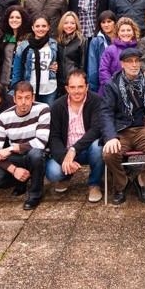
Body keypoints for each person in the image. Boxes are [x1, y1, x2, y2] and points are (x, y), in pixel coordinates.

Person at [100, 46, 145, 204]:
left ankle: (143, 182)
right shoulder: (112, 85)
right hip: (122, 131)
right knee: (109, 153)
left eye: (137, 61)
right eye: (130, 62)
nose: (134, 65)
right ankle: (121, 185)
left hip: (144, 130)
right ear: (122, 64)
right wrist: (110, 137)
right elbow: (106, 113)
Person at [0, 81, 51, 210]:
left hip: (36, 153)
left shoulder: (43, 109)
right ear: (14, 99)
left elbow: (41, 141)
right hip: (16, 157)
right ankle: (20, 178)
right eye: (19, 98)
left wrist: (11, 148)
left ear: (33, 98)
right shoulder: (4, 117)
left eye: (27, 98)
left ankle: (35, 195)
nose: (23, 102)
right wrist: (14, 170)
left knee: (36, 154)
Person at [46, 70, 105, 202]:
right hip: (66, 151)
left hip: (88, 149)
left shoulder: (96, 101)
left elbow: (96, 130)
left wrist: (74, 149)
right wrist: (64, 158)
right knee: (53, 172)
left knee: (98, 146)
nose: (76, 91)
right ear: (67, 88)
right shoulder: (57, 106)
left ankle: (94, 184)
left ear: (87, 87)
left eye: (80, 87)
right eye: (72, 87)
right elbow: (54, 137)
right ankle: (66, 175)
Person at [12, 15, 60, 105]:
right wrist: (15, 87)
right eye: (37, 26)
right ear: (32, 28)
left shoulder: (53, 44)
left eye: (44, 26)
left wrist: (57, 67)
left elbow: (59, 61)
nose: (40, 29)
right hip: (29, 88)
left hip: (49, 89)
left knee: (47, 116)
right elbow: (17, 69)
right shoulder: (24, 46)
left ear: (48, 27)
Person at [97, 17, 141, 90]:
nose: (126, 33)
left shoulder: (138, 49)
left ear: (133, 32)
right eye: (122, 31)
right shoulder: (110, 49)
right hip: (112, 91)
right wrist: (113, 87)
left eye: (129, 30)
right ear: (118, 33)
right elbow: (103, 70)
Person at [0, 5, 31, 88]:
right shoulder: (6, 36)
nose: (14, 20)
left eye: (18, 17)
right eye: (11, 17)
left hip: (21, 83)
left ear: (23, 19)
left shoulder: (29, 38)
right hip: (4, 82)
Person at [86, 10, 116, 95]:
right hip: (102, 84)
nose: (106, 25)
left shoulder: (121, 39)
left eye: (109, 21)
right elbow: (93, 67)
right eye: (103, 22)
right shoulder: (96, 41)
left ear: (115, 23)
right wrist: (94, 88)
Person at [55, 11, 85, 92]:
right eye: (66, 23)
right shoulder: (58, 41)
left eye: (72, 23)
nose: (69, 26)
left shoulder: (81, 41)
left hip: (74, 82)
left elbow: (83, 64)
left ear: (76, 25)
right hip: (59, 82)